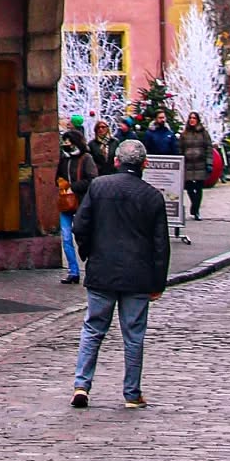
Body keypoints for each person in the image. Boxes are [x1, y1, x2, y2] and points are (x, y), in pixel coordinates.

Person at [70, 137, 171, 410]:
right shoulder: (152, 196)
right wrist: (158, 282)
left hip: (102, 270)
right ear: (145, 164)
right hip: (137, 275)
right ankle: (131, 393)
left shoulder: (99, 186)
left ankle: (82, 385)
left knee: (93, 329)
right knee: (134, 334)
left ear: (116, 161)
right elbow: (161, 245)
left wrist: (88, 254)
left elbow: (80, 225)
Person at [57, 126, 99, 285]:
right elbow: (58, 176)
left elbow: (92, 179)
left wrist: (73, 187)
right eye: (64, 141)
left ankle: (91, 268)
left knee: (84, 236)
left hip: (82, 203)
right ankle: (73, 272)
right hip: (66, 203)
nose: (66, 144)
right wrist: (61, 183)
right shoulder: (64, 158)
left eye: (69, 141)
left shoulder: (86, 158)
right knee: (66, 238)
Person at [180, 111, 213, 220]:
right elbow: (180, 149)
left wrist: (209, 163)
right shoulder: (184, 134)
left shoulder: (203, 133)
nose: (192, 120)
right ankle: (194, 206)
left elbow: (208, 148)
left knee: (199, 188)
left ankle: (196, 210)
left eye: (194, 118)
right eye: (190, 118)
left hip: (200, 163)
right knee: (189, 187)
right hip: (188, 164)